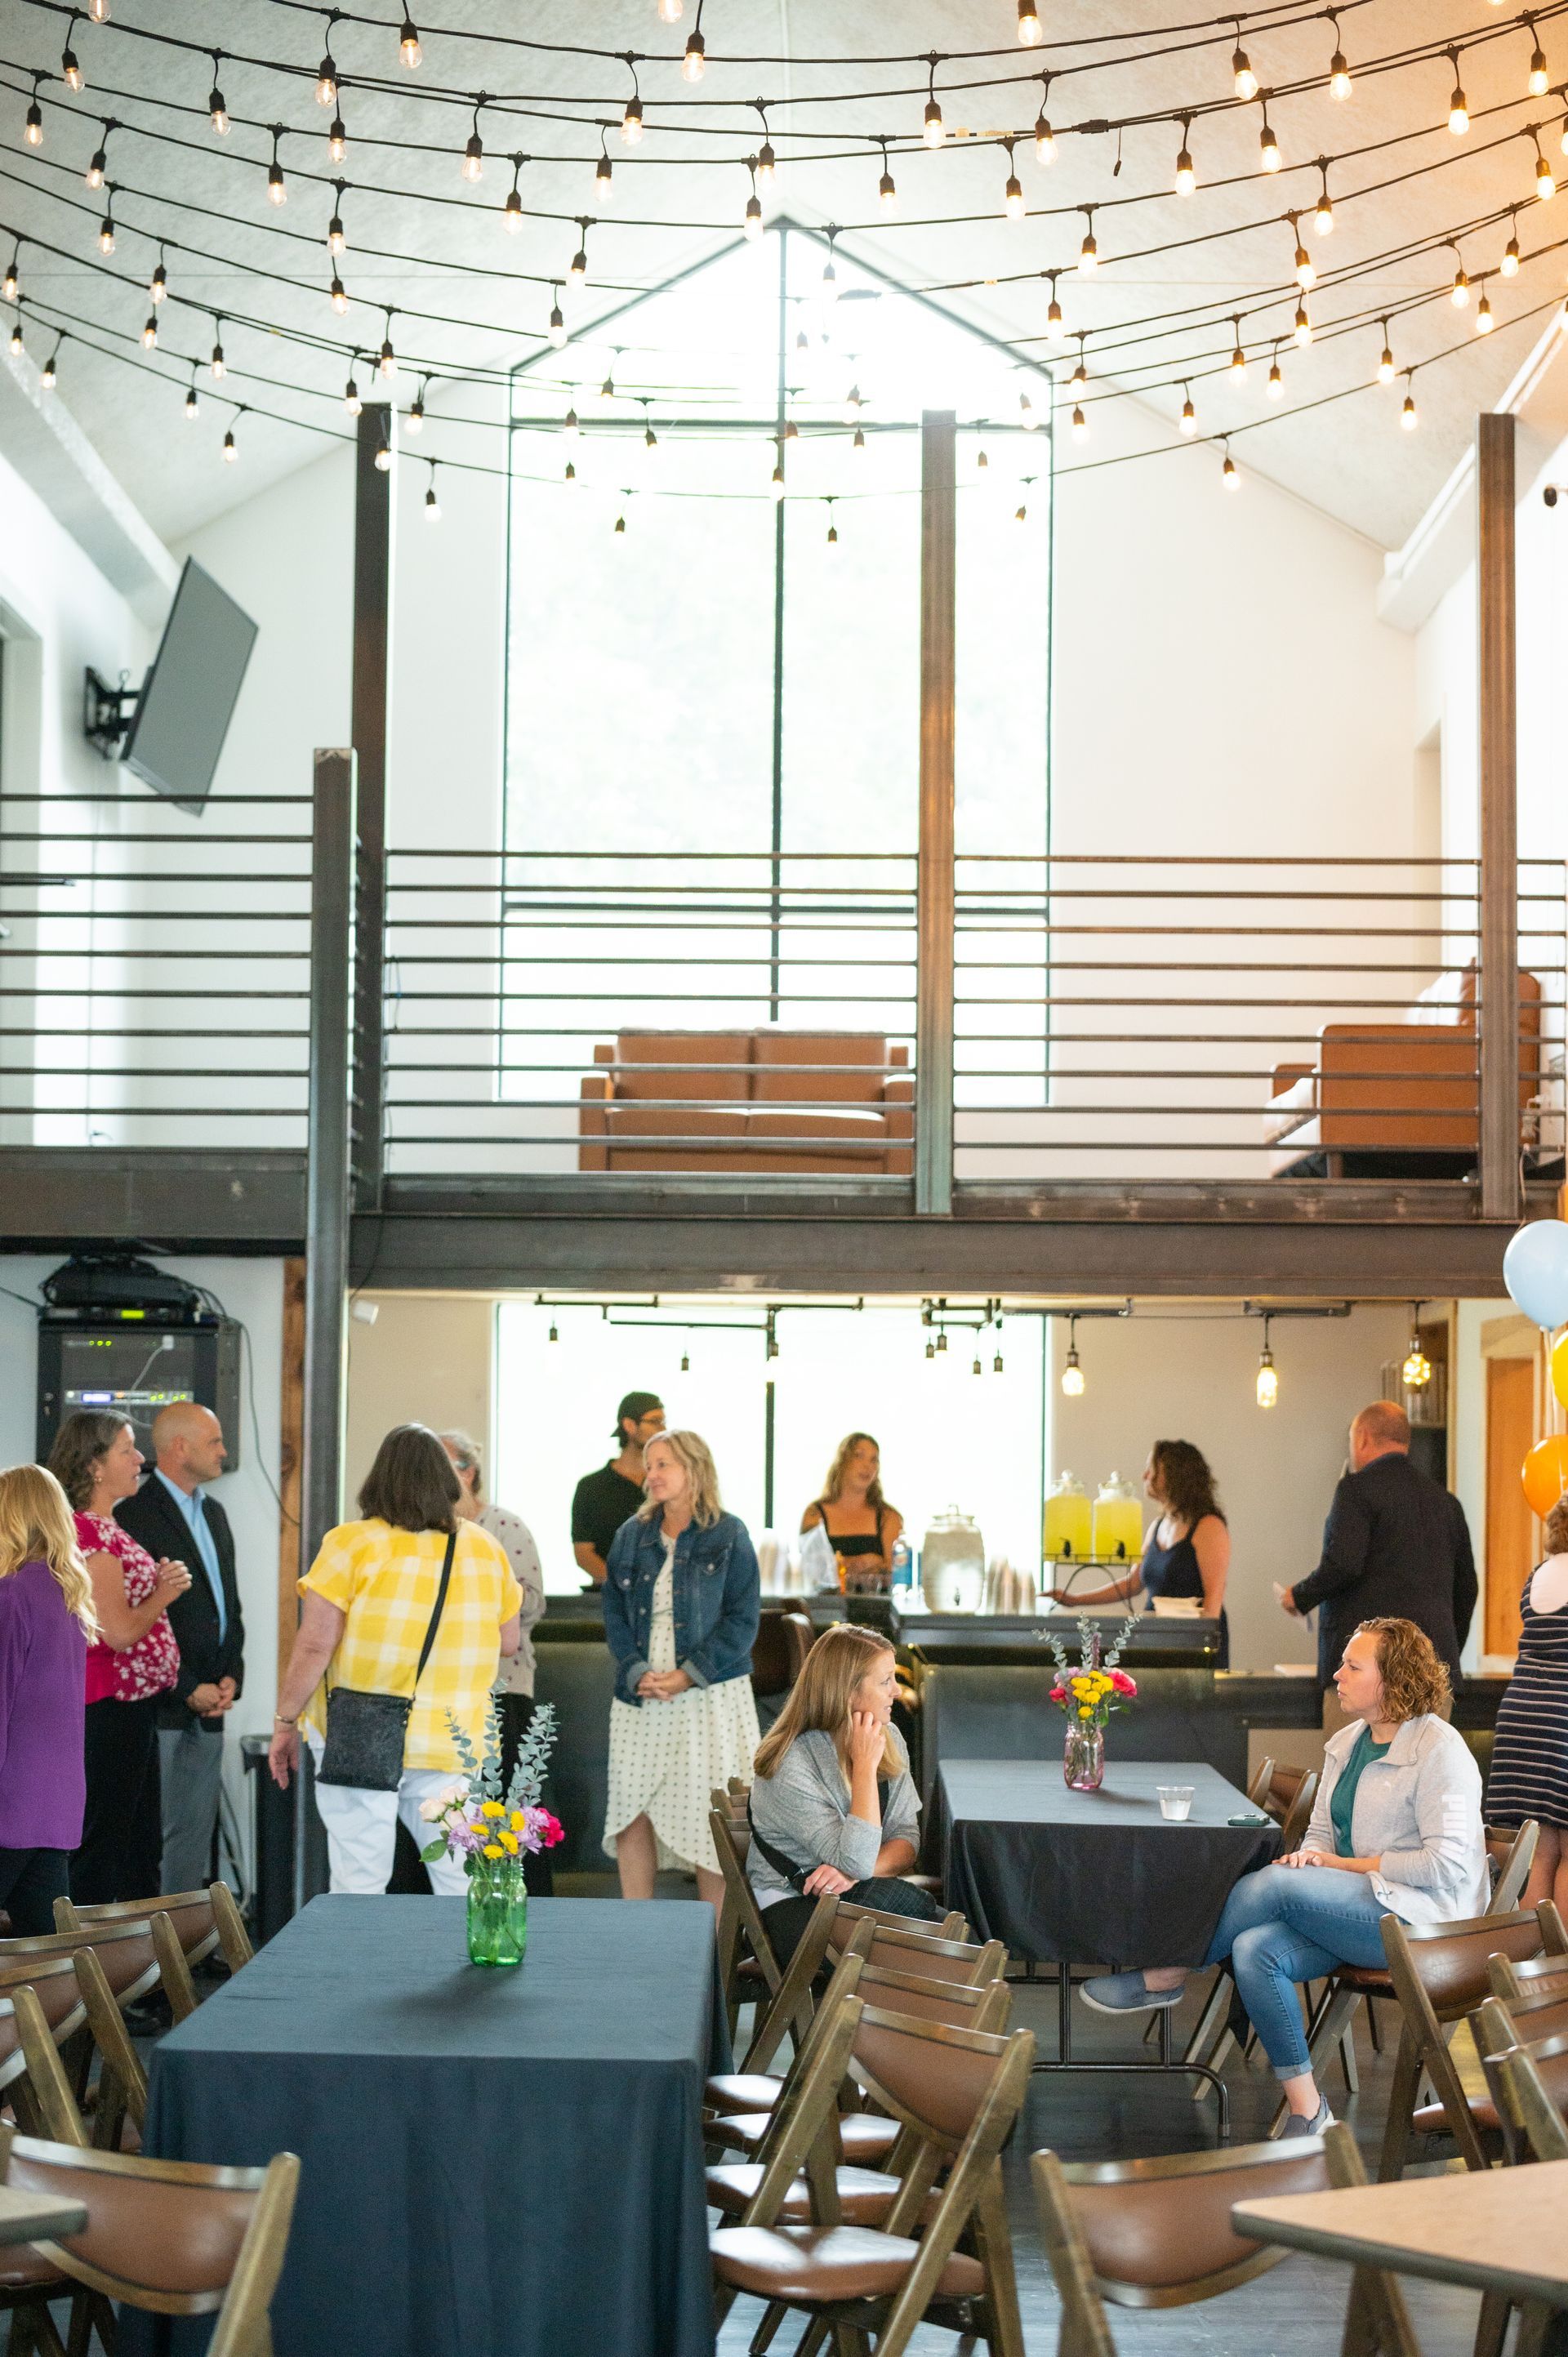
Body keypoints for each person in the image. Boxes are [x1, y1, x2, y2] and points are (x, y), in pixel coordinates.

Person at [1081, 1616, 1489, 2136]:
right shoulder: (1348, 1741)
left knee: (1272, 1885)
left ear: (1392, 1679)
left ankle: (1172, 1972)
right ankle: (1309, 2110)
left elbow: (1445, 1865)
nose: (1336, 1674)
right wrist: (1311, 1859)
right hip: (1360, 1908)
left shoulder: (1440, 1750)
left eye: (1351, 1666)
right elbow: (1321, 1832)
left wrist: (1337, 1866)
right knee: (1254, 1949)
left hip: (1424, 1924)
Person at [267, 1424, 521, 1896]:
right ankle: (472, 1967)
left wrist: (286, 1722)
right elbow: (508, 1642)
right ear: (447, 1481)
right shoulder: (484, 1547)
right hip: (453, 1733)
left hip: (361, 1727)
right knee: (460, 1877)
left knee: (359, 1875)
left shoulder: (351, 1543)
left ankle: (361, 1970)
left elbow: (315, 1644)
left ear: (378, 1480)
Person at [602, 1428, 760, 1910]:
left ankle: (711, 1951)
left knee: (709, 1815)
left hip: (709, 1692)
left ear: (694, 1469)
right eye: (649, 1466)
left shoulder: (729, 1533)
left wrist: (689, 1673)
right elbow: (613, 1612)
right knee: (632, 1807)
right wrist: (635, 1670)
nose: (651, 1475)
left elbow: (742, 1618)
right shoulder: (632, 1535)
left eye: (663, 1464)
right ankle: (637, 1930)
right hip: (643, 1691)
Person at [47, 1411, 190, 1905]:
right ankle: (98, 1969)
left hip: (126, 1707)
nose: (140, 1460)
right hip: (108, 1708)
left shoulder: (106, 1527)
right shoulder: (91, 1534)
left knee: (134, 1845)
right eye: (127, 1450)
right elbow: (118, 1633)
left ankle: (135, 1968)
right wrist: (163, 1593)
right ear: (93, 1466)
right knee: (112, 1848)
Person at [747, 1622, 943, 1967]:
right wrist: (865, 1766)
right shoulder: (791, 1762)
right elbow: (856, 1858)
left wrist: (855, 1873)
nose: (896, 1692)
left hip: (854, 1899)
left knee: (947, 1945)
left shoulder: (890, 1737)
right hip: (793, 1908)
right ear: (847, 1691)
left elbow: (906, 1841)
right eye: (885, 1681)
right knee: (941, 1946)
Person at [116, 1402, 245, 1896]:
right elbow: (137, 1617)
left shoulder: (213, 1512)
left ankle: (189, 1947)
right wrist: (189, 1686)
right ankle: (152, 1956)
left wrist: (232, 1672)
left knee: (197, 1837)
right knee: (156, 1837)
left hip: (214, 1701)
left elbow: (226, 1605)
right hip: (163, 1705)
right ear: (179, 1447)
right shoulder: (134, 1515)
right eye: (215, 1442)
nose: (224, 1452)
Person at [1281, 1401, 1477, 1698]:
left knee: (1358, 1746)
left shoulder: (1356, 1490)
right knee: (1426, 1747)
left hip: (1366, 1675)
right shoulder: (1447, 1503)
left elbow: (1344, 1564)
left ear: (1362, 1437)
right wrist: (1441, 1655)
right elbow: (1467, 1589)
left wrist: (1300, 1596)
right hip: (1430, 1674)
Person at [440, 1428, 552, 1895]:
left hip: (504, 1687)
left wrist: (478, 1595)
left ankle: (524, 1903)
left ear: (468, 1473)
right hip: (443, 1695)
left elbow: (532, 1603)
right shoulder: (422, 1531)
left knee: (510, 1810)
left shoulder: (502, 1527)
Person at [0, 1466, 99, 1933]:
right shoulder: (68, 1594)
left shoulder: (10, 1595)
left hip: (10, 1804)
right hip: (54, 1805)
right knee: (51, 1966)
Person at [1049, 1440, 1231, 1665]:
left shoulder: (1209, 1526)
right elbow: (1133, 1583)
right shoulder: (1158, 1525)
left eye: (1152, 1470)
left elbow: (1213, 1600)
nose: (1145, 1476)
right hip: (1156, 1638)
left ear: (1176, 1476)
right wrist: (1075, 1600)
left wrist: (1203, 1652)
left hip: (1192, 1645)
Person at [1486, 1495, 1568, 1917]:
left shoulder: (1538, 1575)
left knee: (1538, 1852)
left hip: (1520, 1713)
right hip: (1563, 1717)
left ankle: (1530, 1968)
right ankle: (1562, 1970)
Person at [572, 1392, 665, 1587]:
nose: (663, 1429)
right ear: (630, 1425)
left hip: (663, 1599)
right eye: (655, 1421)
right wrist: (624, 1587)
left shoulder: (665, 1484)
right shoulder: (591, 1487)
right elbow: (583, 1553)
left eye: (664, 1421)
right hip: (606, 1602)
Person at [800, 1433, 903, 1585]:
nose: (867, 1466)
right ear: (842, 1461)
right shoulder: (815, 1514)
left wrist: (842, 1566)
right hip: (826, 1607)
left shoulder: (888, 1517)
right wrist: (865, 1562)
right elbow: (812, 1571)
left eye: (873, 1460)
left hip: (875, 1607)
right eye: (859, 1456)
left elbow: (897, 1570)